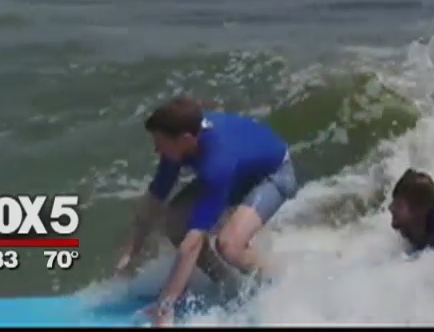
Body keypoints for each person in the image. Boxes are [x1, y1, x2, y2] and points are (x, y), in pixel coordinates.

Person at [115, 98, 301, 327]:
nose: (156, 149)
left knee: (229, 245)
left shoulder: (217, 164)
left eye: (160, 143)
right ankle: (226, 283)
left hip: (273, 176)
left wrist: (165, 308)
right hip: (238, 170)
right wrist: (132, 252)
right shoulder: (182, 141)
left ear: (184, 139)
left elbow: (193, 241)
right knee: (175, 222)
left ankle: (279, 285)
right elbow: (156, 196)